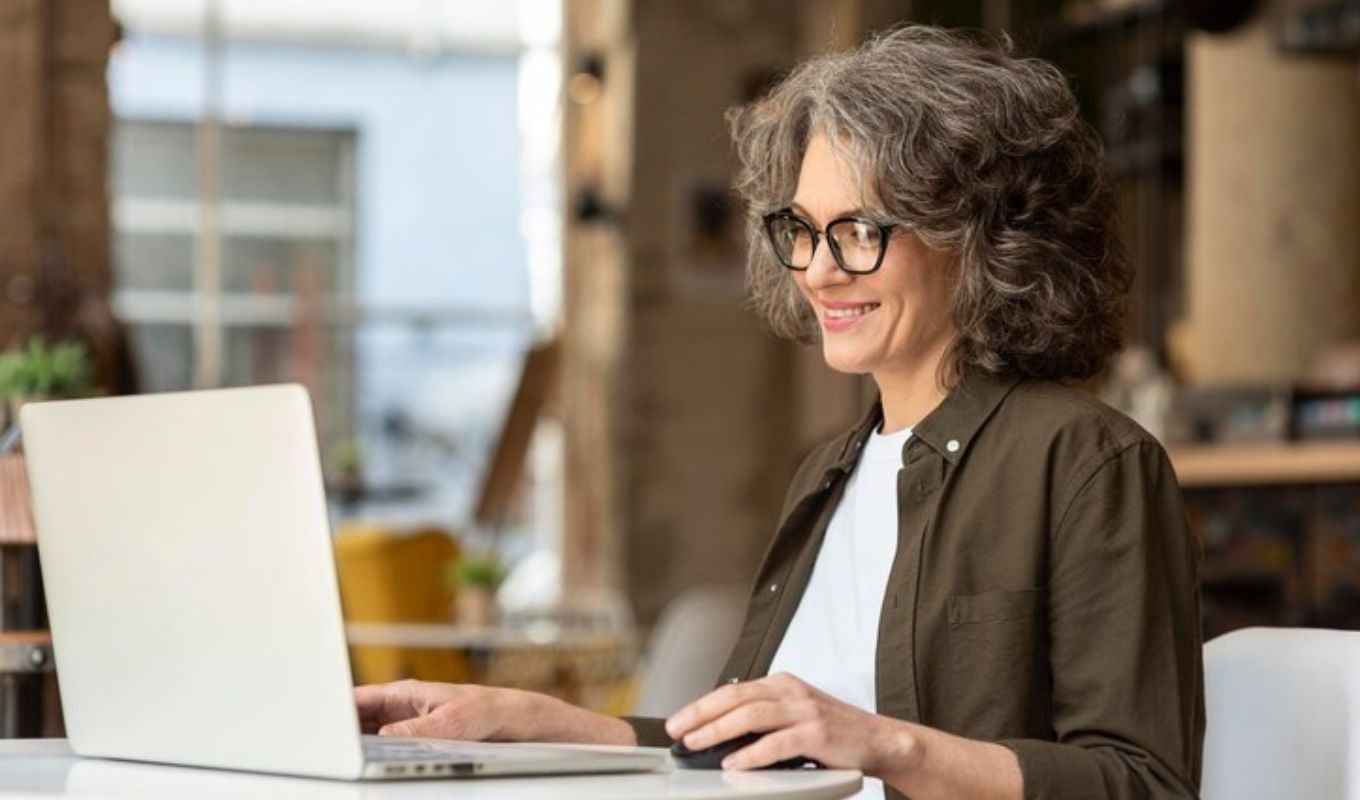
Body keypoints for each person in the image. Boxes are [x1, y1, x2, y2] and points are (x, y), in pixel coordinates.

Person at [355, 26, 1204, 800]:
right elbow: (751, 752)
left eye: (860, 230)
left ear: (980, 234)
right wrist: (530, 721)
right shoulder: (830, 469)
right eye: (802, 229)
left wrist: (884, 746)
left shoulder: (1088, 460)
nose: (822, 272)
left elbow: (1143, 783)